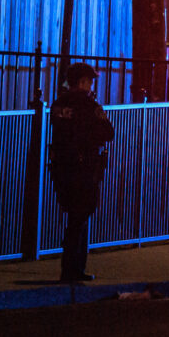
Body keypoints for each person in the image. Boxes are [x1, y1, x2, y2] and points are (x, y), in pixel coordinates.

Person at [49, 62, 115, 283]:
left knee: (73, 218)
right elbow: (108, 132)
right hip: (84, 167)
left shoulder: (59, 105)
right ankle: (73, 269)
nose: (90, 84)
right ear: (82, 82)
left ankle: (70, 268)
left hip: (62, 168)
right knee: (81, 216)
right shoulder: (89, 105)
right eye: (88, 80)